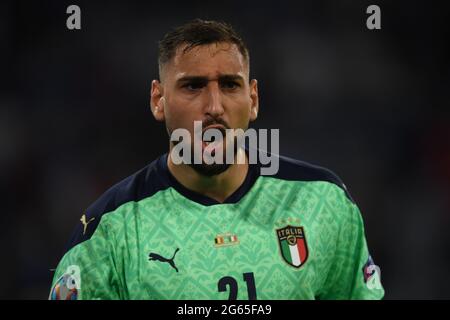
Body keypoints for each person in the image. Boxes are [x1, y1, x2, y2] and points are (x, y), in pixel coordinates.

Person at [49, 19, 384, 300]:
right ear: (158, 100)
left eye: (229, 85)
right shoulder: (108, 232)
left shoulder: (321, 201)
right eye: (193, 86)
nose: (214, 106)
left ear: (252, 99)